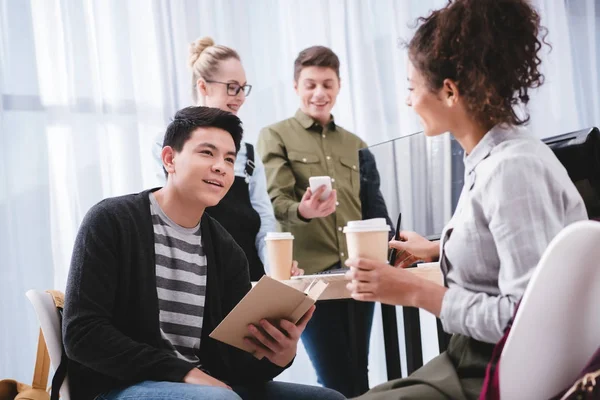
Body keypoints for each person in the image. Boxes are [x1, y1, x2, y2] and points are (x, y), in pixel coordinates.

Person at [344, 1, 588, 399]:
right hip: (476, 359)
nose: (408, 101)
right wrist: (437, 250)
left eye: (411, 86)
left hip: (500, 371)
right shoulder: (495, 158)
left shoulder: (513, 169)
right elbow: (508, 249)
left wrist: (412, 291)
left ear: (450, 91)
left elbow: (526, 322)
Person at [63, 106, 345, 400]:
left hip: (208, 387)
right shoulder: (112, 220)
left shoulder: (227, 250)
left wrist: (279, 356)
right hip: (121, 386)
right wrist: (183, 372)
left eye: (229, 159)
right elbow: (83, 333)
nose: (221, 167)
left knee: (330, 399)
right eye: (207, 153)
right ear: (170, 159)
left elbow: (233, 365)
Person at [257, 46, 373, 397]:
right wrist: (304, 212)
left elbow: (372, 206)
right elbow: (275, 204)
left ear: (339, 86)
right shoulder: (274, 135)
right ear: (295, 86)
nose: (319, 93)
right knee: (334, 374)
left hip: (357, 271)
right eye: (310, 84)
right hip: (309, 278)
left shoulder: (357, 144)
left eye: (327, 84)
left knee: (359, 370)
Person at [152, 37, 292, 281]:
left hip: (249, 279)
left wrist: (276, 269)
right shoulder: (167, 143)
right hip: (195, 278)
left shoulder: (249, 154)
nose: (240, 96)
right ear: (204, 87)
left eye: (243, 88)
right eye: (232, 87)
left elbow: (264, 221)